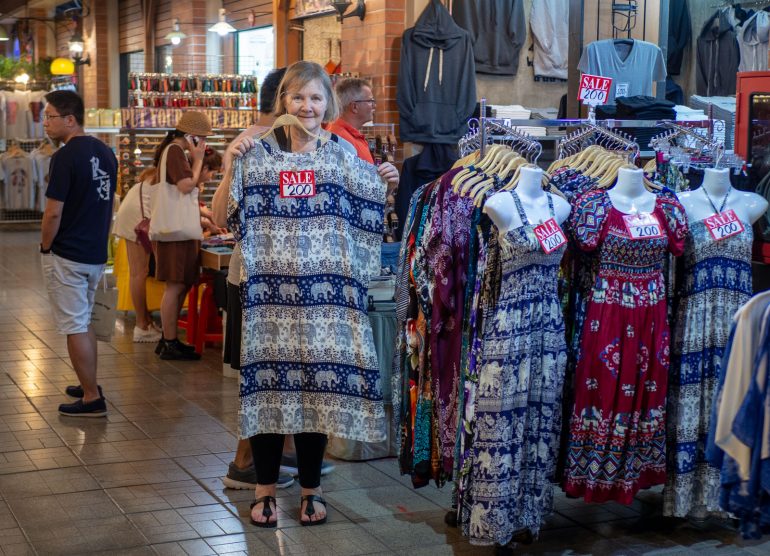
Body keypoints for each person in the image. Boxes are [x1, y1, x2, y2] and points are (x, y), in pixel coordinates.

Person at [214, 61, 392, 528]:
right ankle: (265, 489)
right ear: (284, 102)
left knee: (315, 393)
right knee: (271, 392)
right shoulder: (257, 152)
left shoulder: (343, 156)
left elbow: (370, 216)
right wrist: (231, 163)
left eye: (315, 98)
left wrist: (384, 185)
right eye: (298, 97)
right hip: (270, 299)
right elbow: (223, 217)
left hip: (325, 301)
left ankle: (312, 489)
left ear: (327, 104)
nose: (307, 107)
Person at [40, 90, 117, 417]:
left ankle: (90, 398)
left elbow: (53, 213)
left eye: (50, 116)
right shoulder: (106, 151)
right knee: (83, 320)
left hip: (69, 253)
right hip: (95, 253)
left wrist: (45, 246)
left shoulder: (65, 157)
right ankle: (90, 383)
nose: (45, 123)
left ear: (70, 119)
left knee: (75, 325)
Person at [152, 111, 213, 361]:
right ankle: (169, 341)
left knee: (181, 284)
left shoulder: (174, 152)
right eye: (200, 139)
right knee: (175, 285)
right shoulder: (175, 152)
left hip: (178, 232)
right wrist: (197, 160)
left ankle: (169, 339)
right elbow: (186, 186)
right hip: (173, 233)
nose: (202, 145)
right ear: (190, 136)